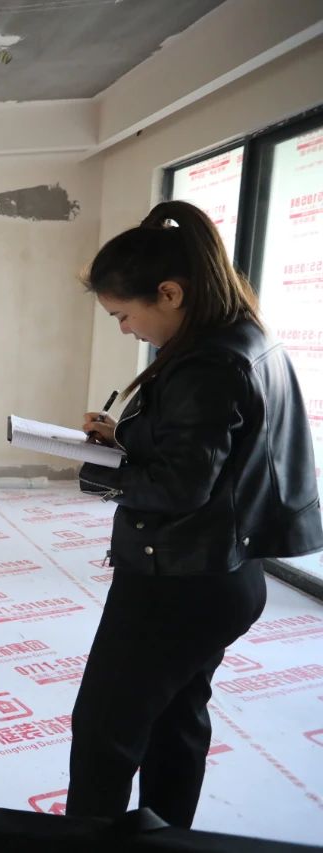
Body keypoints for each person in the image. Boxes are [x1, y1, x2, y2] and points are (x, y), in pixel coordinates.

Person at [69, 200, 323, 827]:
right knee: (175, 722)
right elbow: (213, 455)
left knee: (105, 734)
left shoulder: (208, 362)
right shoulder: (243, 337)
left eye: (123, 315)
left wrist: (103, 473)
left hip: (176, 581)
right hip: (222, 574)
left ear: (171, 293)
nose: (125, 330)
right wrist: (124, 438)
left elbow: (182, 486)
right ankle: (167, 836)